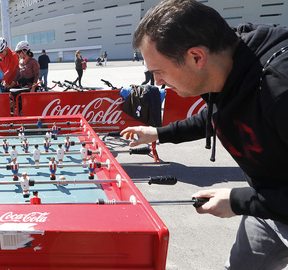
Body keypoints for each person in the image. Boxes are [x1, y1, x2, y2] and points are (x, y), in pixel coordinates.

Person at [120, 0, 288, 269]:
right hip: (267, 206)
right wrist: (158, 133)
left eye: (158, 72)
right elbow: (215, 116)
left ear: (196, 57)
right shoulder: (227, 66)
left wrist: (238, 201)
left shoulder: (280, 87)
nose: (158, 82)